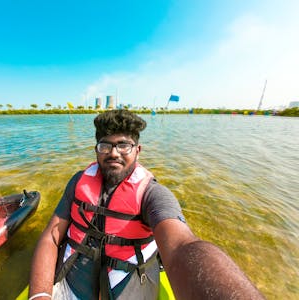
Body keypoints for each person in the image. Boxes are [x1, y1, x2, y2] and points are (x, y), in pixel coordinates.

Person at [29, 109, 264, 300]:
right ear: (96, 149)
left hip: (126, 283)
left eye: (124, 145)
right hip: (72, 283)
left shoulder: (153, 194)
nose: (113, 153)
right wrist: (40, 295)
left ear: (138, 150)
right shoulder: (78, 181)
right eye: (105, 145)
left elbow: (182, 246)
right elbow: (52, 234)